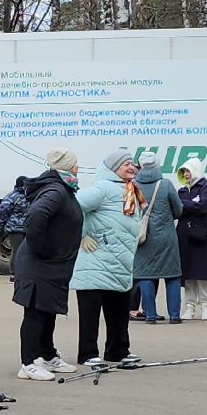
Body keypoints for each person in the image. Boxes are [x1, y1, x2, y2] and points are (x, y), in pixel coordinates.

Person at [12, 151, 81, 380]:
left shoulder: (63, 188)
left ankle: (48, 355)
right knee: (36, 313)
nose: (78, 168)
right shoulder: (56, 190)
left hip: (52, 265)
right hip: (39, 264)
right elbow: (36, 216)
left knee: (48, 310)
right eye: (75, 164)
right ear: (67, 167)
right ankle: (28, 363)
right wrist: (41, 248)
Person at [73, 150, 144, 364]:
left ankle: (118, 351)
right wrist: (82, 235)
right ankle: (88, 354)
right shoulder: (102, 188)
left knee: (119, 311)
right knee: (90, 314)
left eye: (132, 163)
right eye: (125, 164)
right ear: (113, 168)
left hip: (120, 261)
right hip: (96, 261)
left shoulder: (131, 189)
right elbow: (73, 206)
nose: (131, 167)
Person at [131, 151, 185, 323]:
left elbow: (129, 212)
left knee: (146, 275)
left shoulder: (133, 185)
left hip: (143, 238)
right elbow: (178, 210)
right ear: (157, 164)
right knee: (172, 276)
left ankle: (150, 315)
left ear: (140, 165)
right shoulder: (165, 184)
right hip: (167, 237)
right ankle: (174, 316)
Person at [175, 158, 207, 320]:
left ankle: (206, 306)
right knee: (188, 273)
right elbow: (177, 210)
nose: (186, 174)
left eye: (188, 171)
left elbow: (205, 206)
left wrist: (185, 204)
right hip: (184, 235)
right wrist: (192, 203)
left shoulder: (206, 186)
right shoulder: (182, 190)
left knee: (202, 272)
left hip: (202, 234)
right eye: (183, 172)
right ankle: (189, 307)